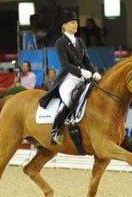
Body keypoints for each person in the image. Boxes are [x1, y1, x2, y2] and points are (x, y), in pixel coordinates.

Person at [39, 11, 101, 145]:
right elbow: (65, 64)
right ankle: (55, 131)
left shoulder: (80, 41)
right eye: (72, 23)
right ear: (64, 26)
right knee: (68, 100)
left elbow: (87, 61)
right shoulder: (60, 42)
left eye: (76, 23)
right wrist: (80, 72)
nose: (76, 25)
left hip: (82, 77)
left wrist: (94, 72)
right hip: (68, 78)